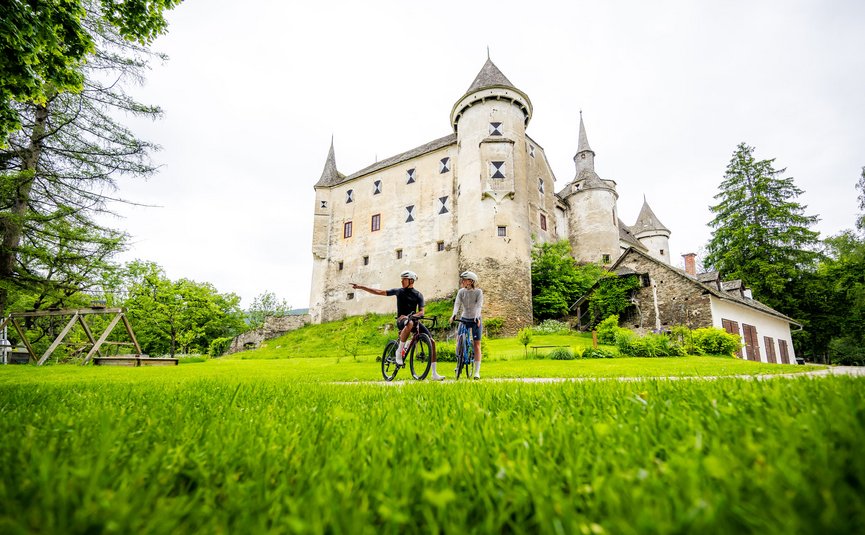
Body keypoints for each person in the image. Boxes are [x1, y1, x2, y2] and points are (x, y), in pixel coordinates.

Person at [351, 271, 446, 381]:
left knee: (432, 342)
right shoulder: (399, 292)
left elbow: (422, 312)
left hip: (413, 320)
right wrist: (361, 287)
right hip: (402, 320)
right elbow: (379, 291)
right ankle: (399, 352)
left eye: (404, 279)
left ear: (411, 280)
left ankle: (434, 373)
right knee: (409, 323)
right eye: (401, 279)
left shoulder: (418, 295)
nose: (401, 281)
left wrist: (413, 316)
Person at [450, 270, 483, 379]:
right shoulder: (461, 292)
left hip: (475, 319)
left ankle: (477, 372)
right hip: (464, 318)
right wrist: (454, 315)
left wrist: (477, 317)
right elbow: (457, 304)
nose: (462, 281)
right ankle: (458, 363)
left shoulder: (478, 292)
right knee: (459, 341)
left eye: (464, 280)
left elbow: (479, 306)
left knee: (477, 344)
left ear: (470, 281)